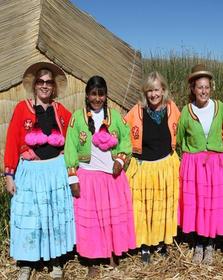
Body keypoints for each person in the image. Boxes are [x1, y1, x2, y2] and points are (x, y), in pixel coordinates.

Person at [4, 62, 74, 280]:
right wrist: (9, 174)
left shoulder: (60, 110)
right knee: (30, 218)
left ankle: (55, 261)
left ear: (54, 87)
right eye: (41, 82)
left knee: (53, 215)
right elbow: (12, 141)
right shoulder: (21, 108)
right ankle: (27, 262)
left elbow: (75, 131)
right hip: (30, 173)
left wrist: (67, 151)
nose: (45, 86)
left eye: (49, 82)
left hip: (54, 172)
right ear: (34, 85)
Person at [64, 76, 136, 277]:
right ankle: (92, 260)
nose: (97, 98)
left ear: (106, 96)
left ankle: (111, 253)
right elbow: (70, 147)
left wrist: (120, 161)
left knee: (111, 217)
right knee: (92, 221)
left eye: (101, 94)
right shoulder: (77, 118)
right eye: (93, 94)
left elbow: (126, 141)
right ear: (87, 95)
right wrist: (73, 178)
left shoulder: (115, 117)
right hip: (88, 176)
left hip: (111, 178)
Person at [124, 71, 180, 264]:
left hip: (165, 166)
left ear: (163, 90)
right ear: (145, 92)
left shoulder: (172, 109)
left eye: (156, 90)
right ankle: (145, 245)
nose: (153, 94)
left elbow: (184, 130)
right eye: (149, 91)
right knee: (144, 208)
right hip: (144, 168)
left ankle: (161, 242)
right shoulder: (137, 111)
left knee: (163, 206)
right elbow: (122, 130)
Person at [177, 64, 223, 265]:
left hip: (215, 163)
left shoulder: (220, 107)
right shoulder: (187, 111)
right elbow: (180, 138)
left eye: (207, 87)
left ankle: (210, 244)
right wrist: (191, 156)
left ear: (211, 87)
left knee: (213, 203)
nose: (203, 91)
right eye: (200, 87)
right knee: (198, 204)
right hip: (194, 164)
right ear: (193, 89)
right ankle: (198, 244)